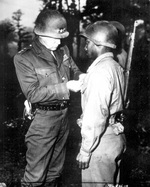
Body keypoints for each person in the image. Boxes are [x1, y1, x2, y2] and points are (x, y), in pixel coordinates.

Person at [14, 9, 82, 187]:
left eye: (61, 37)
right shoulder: (24, 58)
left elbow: (74, 70)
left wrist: (82, 76)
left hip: (63, 117)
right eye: (54, 38)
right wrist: (65, 87)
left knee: (55, 171)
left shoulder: (63, 50)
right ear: (40, 34)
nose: (59, 42)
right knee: (35, 174)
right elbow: (33, 94)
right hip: (43, 119)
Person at [76, 21, 126, 187]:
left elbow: (95, 115)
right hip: (115, 136)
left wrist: (85, 150)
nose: (85, 46)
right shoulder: (116, 67)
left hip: (100, 143)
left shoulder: (100, 72)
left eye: (88, 42)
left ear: (98, 44)